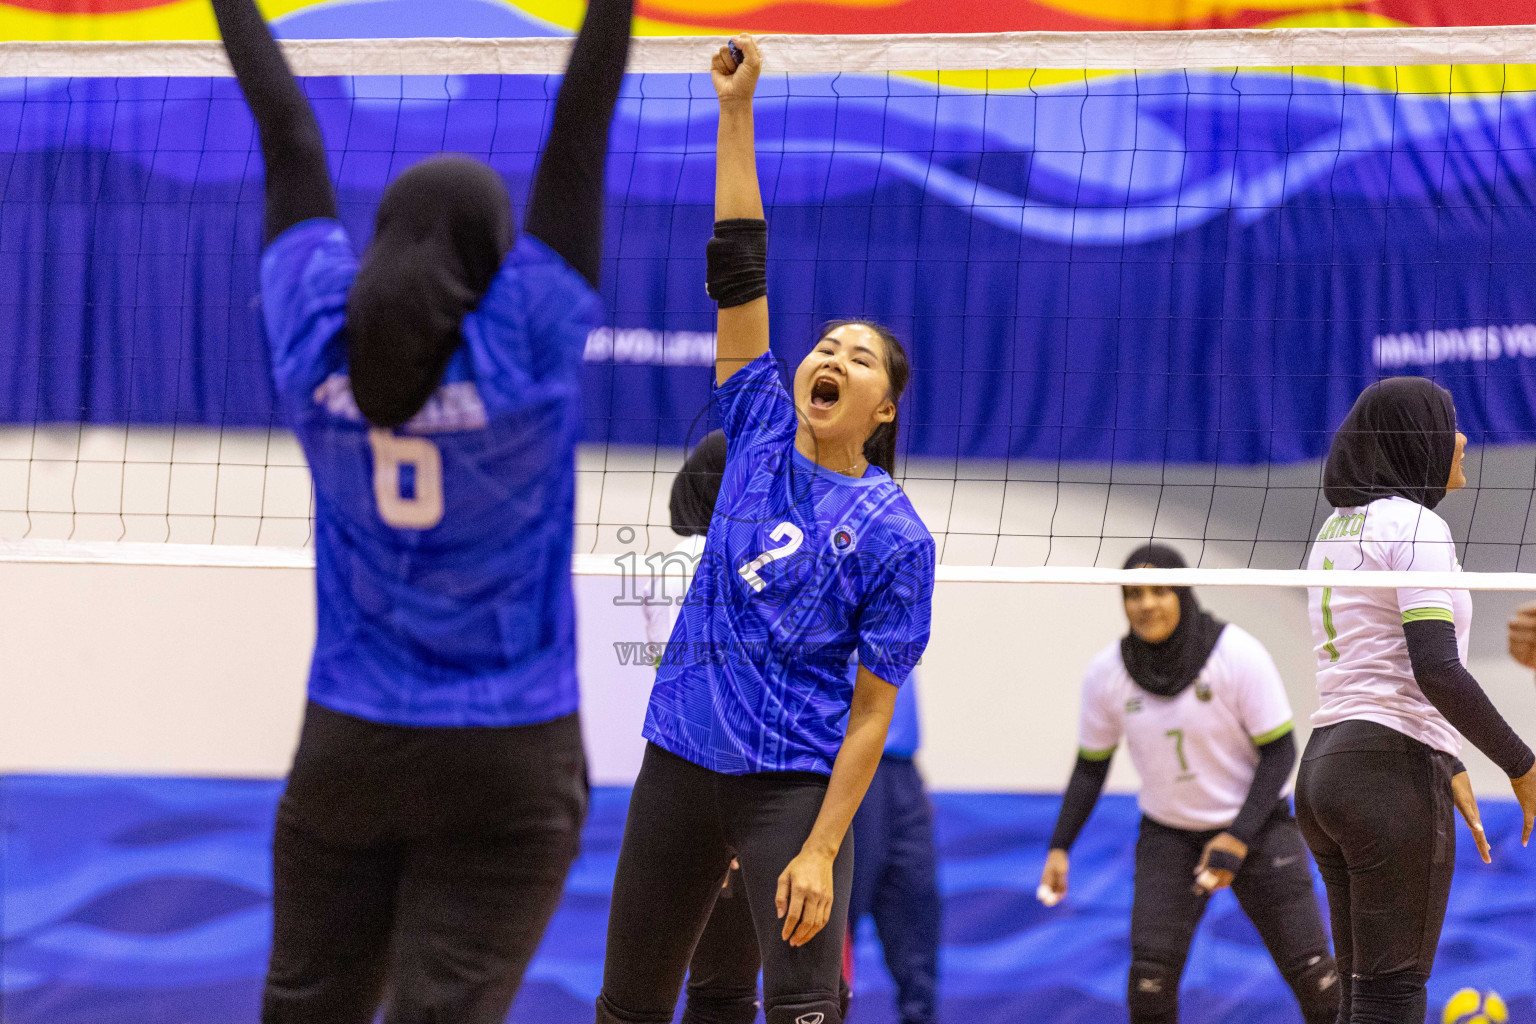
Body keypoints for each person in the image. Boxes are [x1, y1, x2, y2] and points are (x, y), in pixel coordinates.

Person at [209, 0, 633, 1019]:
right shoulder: (522, 345)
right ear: (490, 265)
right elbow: (579, 133)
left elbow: (290, 144)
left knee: (306, 999)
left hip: (353, 739)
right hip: (510, 752)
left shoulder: (317, 348)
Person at [594, 34, 937, 1024]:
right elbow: (738, 269)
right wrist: (734, 113)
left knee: (795, 1009)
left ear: (881, 409)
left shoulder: (894, 532)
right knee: (630, 1007)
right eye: (826, 344)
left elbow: (872, 713)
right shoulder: (752, 423)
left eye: (859, 357)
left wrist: (825, 847)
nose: (832, 353)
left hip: (787, 783)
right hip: (679, 760)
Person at [1296, 377, 1536, 1024]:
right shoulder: (1417, 525)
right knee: (1393, 997)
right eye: (1447, 423)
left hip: (1324, 770)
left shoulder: (1335, 528)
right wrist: (1521, 762)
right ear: (1414, 438)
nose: (1461, 439)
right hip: (1387, 773)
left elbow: (1385, 664)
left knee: (1360, 999)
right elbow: (1436, 668)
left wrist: (1449, 759)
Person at [1038, 544, 1340, 1024]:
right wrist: (1059, 846)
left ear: (1183, 591)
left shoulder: (1236, 654)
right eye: (1134, 593)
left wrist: (1237, 837)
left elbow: (1281, 752)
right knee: (1149, 987)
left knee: (1318, 980)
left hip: (1258, 830)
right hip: (1169, 837)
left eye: (1160, 590)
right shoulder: (1107, 674)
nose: (1146, 604)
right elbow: (1090, 768)